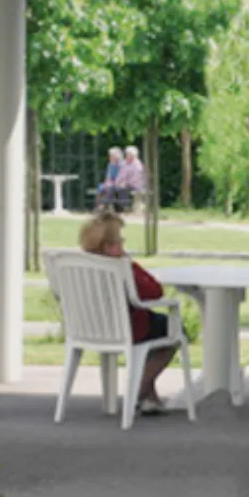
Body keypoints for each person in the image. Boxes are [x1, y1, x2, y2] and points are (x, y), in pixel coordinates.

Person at [79, 212, 178, 415]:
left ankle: (150, 398)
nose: (123, 245)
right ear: (109, 246)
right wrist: (131, 264)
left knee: (155, 332)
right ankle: (140, 389)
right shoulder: (121, 268)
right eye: (120, 241)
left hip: (91, 328)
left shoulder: (80, 267)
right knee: (173, 331)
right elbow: (154, 291)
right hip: (130, 328)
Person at [113, 146, 148, 212]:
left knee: (123, 189)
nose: (127, 156)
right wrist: (117, 183)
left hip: (137, 186)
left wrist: (125, 183)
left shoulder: (138, 165)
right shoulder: (124, 164)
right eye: (127, 154)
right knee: (113, 188)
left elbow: (136, 179)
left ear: (134, 156)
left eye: (128, 154)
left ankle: (126, 207)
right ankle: (121, 208)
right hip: (126, 185)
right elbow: (120, 176)